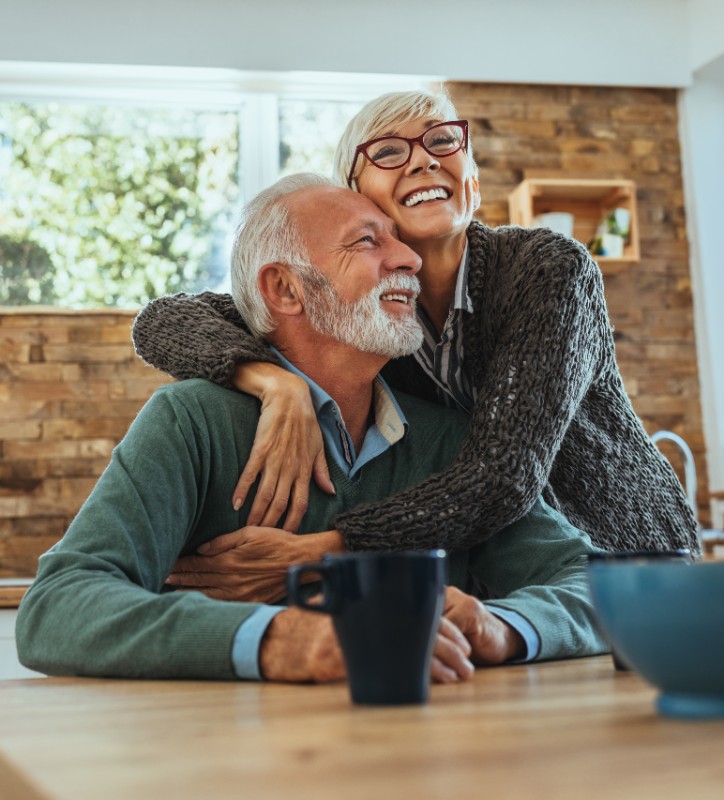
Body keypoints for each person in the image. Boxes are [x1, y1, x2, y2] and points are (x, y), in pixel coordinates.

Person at [15, 174, 606, 683]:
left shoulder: (450, 441)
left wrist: (500, 624)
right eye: (368, 242)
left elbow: (594, 584)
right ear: (285, 289)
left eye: (398, 241)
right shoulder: (191, 422)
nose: (409, 259)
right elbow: (58, 607)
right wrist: (282, 639)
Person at [131, 89, 699, 591]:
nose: (424, 158)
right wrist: (274, 383)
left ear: (471, 179)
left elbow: (502, 477)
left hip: (623, 560)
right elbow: (164, 320)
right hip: (495, 579)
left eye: (443, 141)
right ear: (356, 195)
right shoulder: (363, 315)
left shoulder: (548, 270)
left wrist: (323, 552)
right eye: (387, 151)